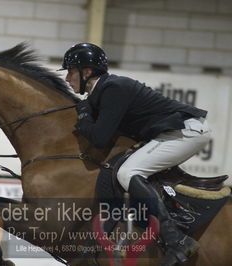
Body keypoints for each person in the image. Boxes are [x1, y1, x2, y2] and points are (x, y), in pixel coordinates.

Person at [59, 43, 211, 266]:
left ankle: (176, 239)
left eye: (70, 72)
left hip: (186, 131)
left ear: (87, 72)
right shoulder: (100, 92)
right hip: (171, 132)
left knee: (128, 172)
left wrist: (83, 116)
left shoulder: (112, 88)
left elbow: (100, 137)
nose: (67, 78)